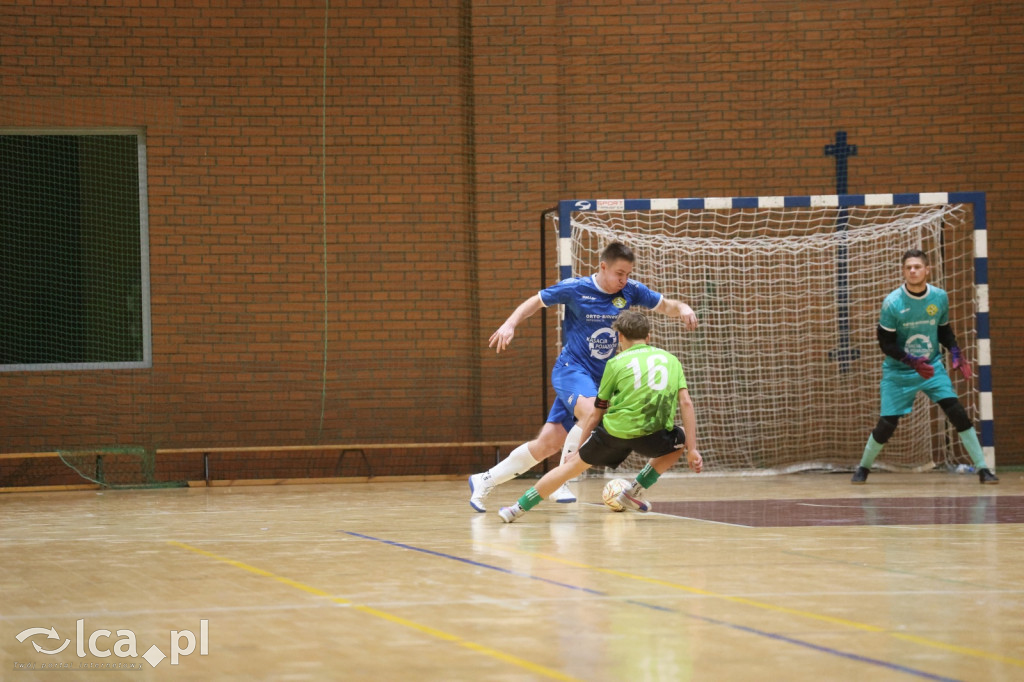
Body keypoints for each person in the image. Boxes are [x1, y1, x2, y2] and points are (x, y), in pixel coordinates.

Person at [469, 242, 698, 512]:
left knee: (548, 443)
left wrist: (682, 308)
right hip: (573, 370)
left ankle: (484, 479)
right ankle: (565, 476)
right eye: (619, 273)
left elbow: (665, 305)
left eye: (628, 274)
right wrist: (510, 323)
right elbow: (536, 301)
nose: (624, 279)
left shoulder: (631, 290)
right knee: (593, 412)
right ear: (603, 267)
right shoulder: (577, 288)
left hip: (602, 379)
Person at [498, 310, 702, 522]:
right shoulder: (671, 360)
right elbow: (686, 403)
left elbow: (596, 413)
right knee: (682, 437)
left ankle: (516, 509)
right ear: (648, 337)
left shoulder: (615, 363)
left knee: (569, 469)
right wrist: (692, 450)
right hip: (651, 434)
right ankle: (633, 492)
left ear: (620, 337)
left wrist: (577, 450)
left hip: (614, 433)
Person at [851, 249, 998, 485]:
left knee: (957, 412)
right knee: (887, 425)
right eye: (908, 267)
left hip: (931, 368)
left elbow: (944, 330)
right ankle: (863, 468)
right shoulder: (892, 303)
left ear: (927, 270)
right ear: (903, 271)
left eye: (917, 267)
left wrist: (956, 352)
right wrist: (911, 362)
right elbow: (886, 344)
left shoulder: (939, 297)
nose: (913, 270)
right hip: (899, 371)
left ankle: (983, 470)